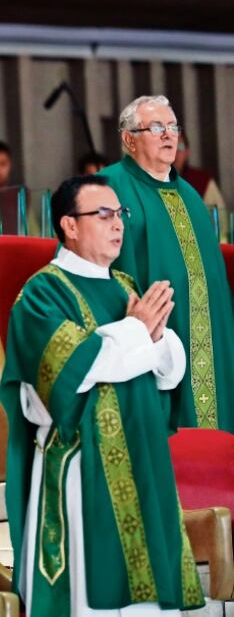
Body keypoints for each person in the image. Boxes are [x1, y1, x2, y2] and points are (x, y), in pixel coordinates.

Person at [1, 175, 203, 616]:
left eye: (121, 214)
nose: (118, 224)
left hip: (144, 456)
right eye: (104, 214)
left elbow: (169, 371)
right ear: (69, 225)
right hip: (83, 461)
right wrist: (135, 334)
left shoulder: (126, 286)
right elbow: (74, 368)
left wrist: (147, 338)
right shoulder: (42, 292)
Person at [101, 95, 234, 432]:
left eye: (173, 127)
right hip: (146, 338)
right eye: (156, 127)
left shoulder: (190, 196)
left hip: (205, 342)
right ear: (129, 139)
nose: (169, 135)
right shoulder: (107, 188)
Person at [175, 131, 226, 210]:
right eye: (169, 146)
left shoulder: (203, 180)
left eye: (180, 147)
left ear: (187, 152)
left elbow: (220, 219)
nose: (175, 152)